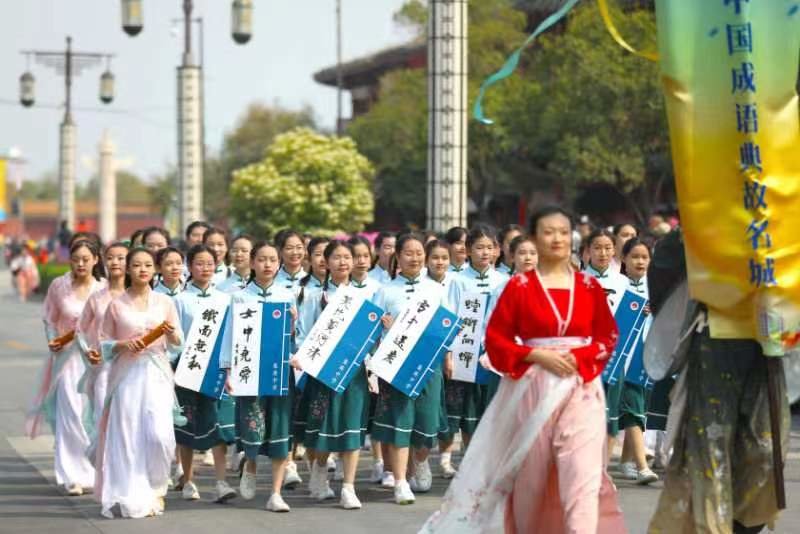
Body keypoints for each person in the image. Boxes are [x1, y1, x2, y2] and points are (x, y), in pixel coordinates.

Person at [420, 206, 625, 533]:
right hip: (533, 389)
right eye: (547, 231)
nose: (556, 238)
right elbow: (496, 340)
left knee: (581, 476)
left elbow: (608, 335)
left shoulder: (588, 287)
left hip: (581, 388)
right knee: (531, 481)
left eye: (563, 231)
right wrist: (535, 354)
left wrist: (581, 355)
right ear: (532, 238)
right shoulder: (519, 288)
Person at [648, 227, 789, 534]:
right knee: (709, 449)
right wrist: (686, 234)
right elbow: (664, 266)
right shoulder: (704, 216)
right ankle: (711, 527)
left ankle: (741, 526)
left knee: (764, 451)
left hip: (766, 346)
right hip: (712, 344)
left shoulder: (777, 215)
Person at [94, 248, 182, 518]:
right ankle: (129, 490)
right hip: (127, 376)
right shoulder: (116, 304)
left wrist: (171, 333)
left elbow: (179, 342)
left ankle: (157, 484)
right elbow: (103, 343)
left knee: (160, 434)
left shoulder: (165, 303)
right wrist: (122, 343)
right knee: (128, 434)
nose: (142, 269)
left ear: (155, 269)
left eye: (147, 265)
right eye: (136, 265)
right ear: (128, 269)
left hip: (157, 373)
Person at [371, 233, 452, 505]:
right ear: (398, 257)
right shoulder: (386, 290)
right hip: (396, 368)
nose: (415, 258)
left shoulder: (437, 289)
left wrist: (448, 356)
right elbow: (373, 330)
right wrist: (383, 328)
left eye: (419, 253)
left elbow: (448, 327)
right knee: (400, 422)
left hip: (429, 367)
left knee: (428, 424)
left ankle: (420, 461)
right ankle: (400, 481)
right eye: (409, 253)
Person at [221, 242, 298, 512]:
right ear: (252, 263)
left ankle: (276, 493)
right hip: (249, 372)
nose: (268, 265)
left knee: (279, 427)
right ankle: (250, 465)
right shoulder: (241, 297)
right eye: (262, 259)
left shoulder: (287, 295)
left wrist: (293, 323)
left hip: (279, 371)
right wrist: (227, 369)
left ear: (279, 264)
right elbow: (230, 334)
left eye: (272, 260)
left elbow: (293, 338)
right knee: (253, 425)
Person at [27, 240, 107, 496]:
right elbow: (49, 318)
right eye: (76, 259)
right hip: (68, 360)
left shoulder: (104, 289)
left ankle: (96, 471)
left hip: (96, 360)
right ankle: (72, 474)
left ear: (96, 260)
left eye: (86, 258)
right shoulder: (59, 287)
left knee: (94, 414)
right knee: (70, 414)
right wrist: (53, 339)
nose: (81, 263)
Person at [295, 240, 367, 510]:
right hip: (323, 371)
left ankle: (348, 487)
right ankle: (320, 470)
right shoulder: (315, 296)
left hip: (355, 371)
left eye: (347, 257)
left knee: (351, 427)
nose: (343, 262)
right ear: (325, 262)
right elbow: (304, 333)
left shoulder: (366, 295)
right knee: (324, 424)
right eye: (336, 257)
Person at [172, 244, 237, 503]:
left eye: (210, 263)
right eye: (199, 263)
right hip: (187, 373)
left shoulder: (224, 299)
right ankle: (188, 481)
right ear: (189, 266)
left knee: (217, 427)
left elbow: (231, 337)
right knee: (187, 428)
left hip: (217, 373)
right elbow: (174, 339)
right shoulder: (179, 300)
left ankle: (221, 482)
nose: (205, 268)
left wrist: (229, 369)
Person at [439, 226, 506, 474]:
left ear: (497, 251)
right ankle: (452, 457)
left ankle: (479, 461)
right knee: (460, 408)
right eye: (479, 247)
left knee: (485, 408)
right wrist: (448, 353)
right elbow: (450, 317)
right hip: (463, 354)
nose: (484, 252)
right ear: (468, 251)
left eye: (489, 247)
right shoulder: (456, 281)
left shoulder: (503, 281)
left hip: (492, 356)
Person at [614, 238, 659, 485]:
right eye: (635, 257)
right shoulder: (616, 285)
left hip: (647, 356)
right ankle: (642, 467)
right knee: (633, 408)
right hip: (622, 357)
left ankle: (625, 461)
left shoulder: (656, 287)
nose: (640, 261)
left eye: (644, 257)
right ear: (624, 260)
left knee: (639, 407)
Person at [76, 242, 129, 441]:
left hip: (131, 366)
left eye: (121, 258)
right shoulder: (96, 298)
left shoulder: (139, 296)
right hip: (102, 368)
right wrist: (87, 350)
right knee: (103, 419)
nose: (114, 262)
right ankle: (104, 467)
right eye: (110, 258)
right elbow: (80, 329)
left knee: (127, 421)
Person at [275, 230, 308, 297]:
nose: (295, 252)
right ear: (280, 251)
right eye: (289, 248)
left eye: (299, 247)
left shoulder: (311, 281)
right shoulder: (271, 280)